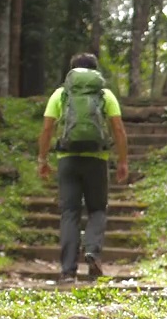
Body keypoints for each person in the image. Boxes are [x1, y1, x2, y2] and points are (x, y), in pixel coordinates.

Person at [37, 53, 129, 282]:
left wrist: (42, 159)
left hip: (67, 160)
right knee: (97, 209)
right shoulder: (105, 95)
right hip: (97, 159)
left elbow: (47, 129)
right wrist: (123, 161)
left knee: (69, 212)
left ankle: (68, 272)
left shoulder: (61, 94)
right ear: (95, 71)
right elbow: (118, 130)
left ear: (72, 72)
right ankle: (92, 251)